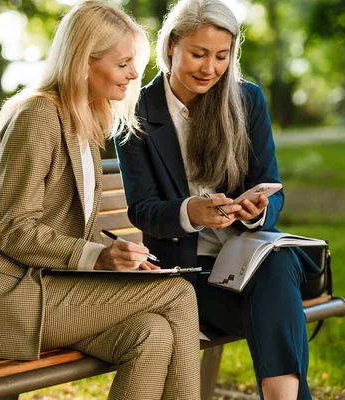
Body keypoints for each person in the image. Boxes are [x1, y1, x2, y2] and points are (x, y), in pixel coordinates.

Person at [0, 2, 201, 399]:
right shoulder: (38, 117)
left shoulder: (84, 119)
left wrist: (117, 252)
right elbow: (13, 229)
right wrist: (96, 257)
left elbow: (66, 223)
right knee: (178, 293)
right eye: (123, 63)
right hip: (7, 297)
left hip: (48, 288)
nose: (135, 74)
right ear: (84, 62)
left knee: (153, 331)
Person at [115, 0, 318, 398]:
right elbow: (142, 209)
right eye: (198, 54)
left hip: (252, 263)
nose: (210, 68)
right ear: (171, 46)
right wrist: (191, 213)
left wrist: (258, 211)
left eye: (221, 56)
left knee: (276, 266)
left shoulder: (246, 100)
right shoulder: (136, 109)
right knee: (277, 314)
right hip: (189, 276)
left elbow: (270, 186)